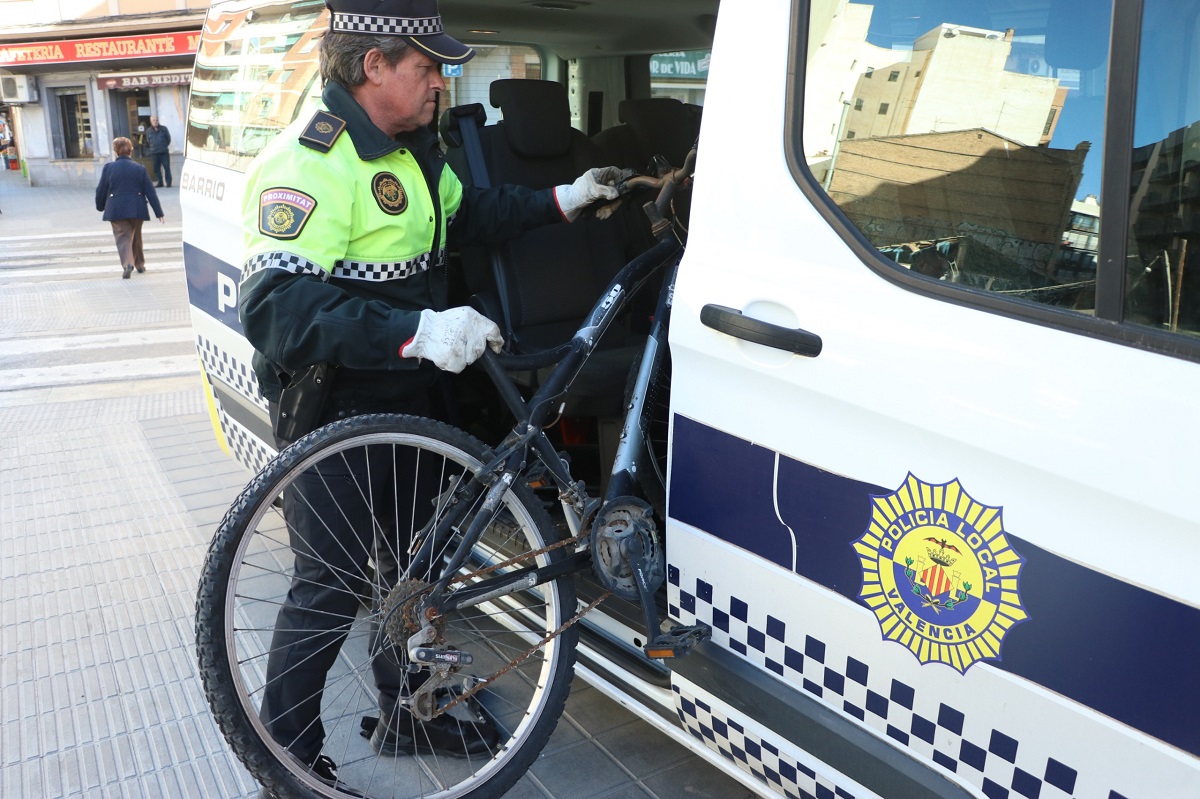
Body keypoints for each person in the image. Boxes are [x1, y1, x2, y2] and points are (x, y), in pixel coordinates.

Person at [237, 0, 622, 787]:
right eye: (426, 68)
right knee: (329, 583)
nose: (442, 82)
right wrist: (412, 331)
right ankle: (285, 759)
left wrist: (565, 198)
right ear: (372, 67)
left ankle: (413, 709)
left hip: (417, 404)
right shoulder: (311, 161)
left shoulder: (415, 151)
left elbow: (469, 213)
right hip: (337, 407)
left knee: (412, 568)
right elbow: (278, 310)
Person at [95, 137, 165, 279]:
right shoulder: (140, 168)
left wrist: (100, 206)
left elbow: (101, 190)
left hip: (116, 208)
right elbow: (150, 191)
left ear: (116, 152)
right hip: (137, 208)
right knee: (136, 236)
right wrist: (159, 213)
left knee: (123, 237)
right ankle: (139, 264)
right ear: (131, 151)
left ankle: (128, 264)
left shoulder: (109, 168)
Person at [145, 115, 171, 187]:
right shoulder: (148, 131)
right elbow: (148, 141)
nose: (155, 121)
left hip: (164, 152)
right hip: (154, 152)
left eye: (156, 120)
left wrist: (164, 145)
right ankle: (160, 182)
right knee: (156, 169)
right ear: (151, 121)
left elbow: (168, 139)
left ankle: (168, 182)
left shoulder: (164, 129)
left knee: (167, 167)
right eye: (153, 120)